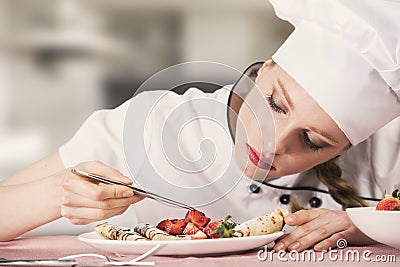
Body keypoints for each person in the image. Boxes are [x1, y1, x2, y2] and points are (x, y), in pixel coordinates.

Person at [0, 0, 399, 253]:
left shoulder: (385, 150)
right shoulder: (156, 126)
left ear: (346, 148)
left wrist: (365, 225)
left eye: (312, 141)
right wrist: (60, 193)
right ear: (261, 72)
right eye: (274, 104)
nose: (274, 142)